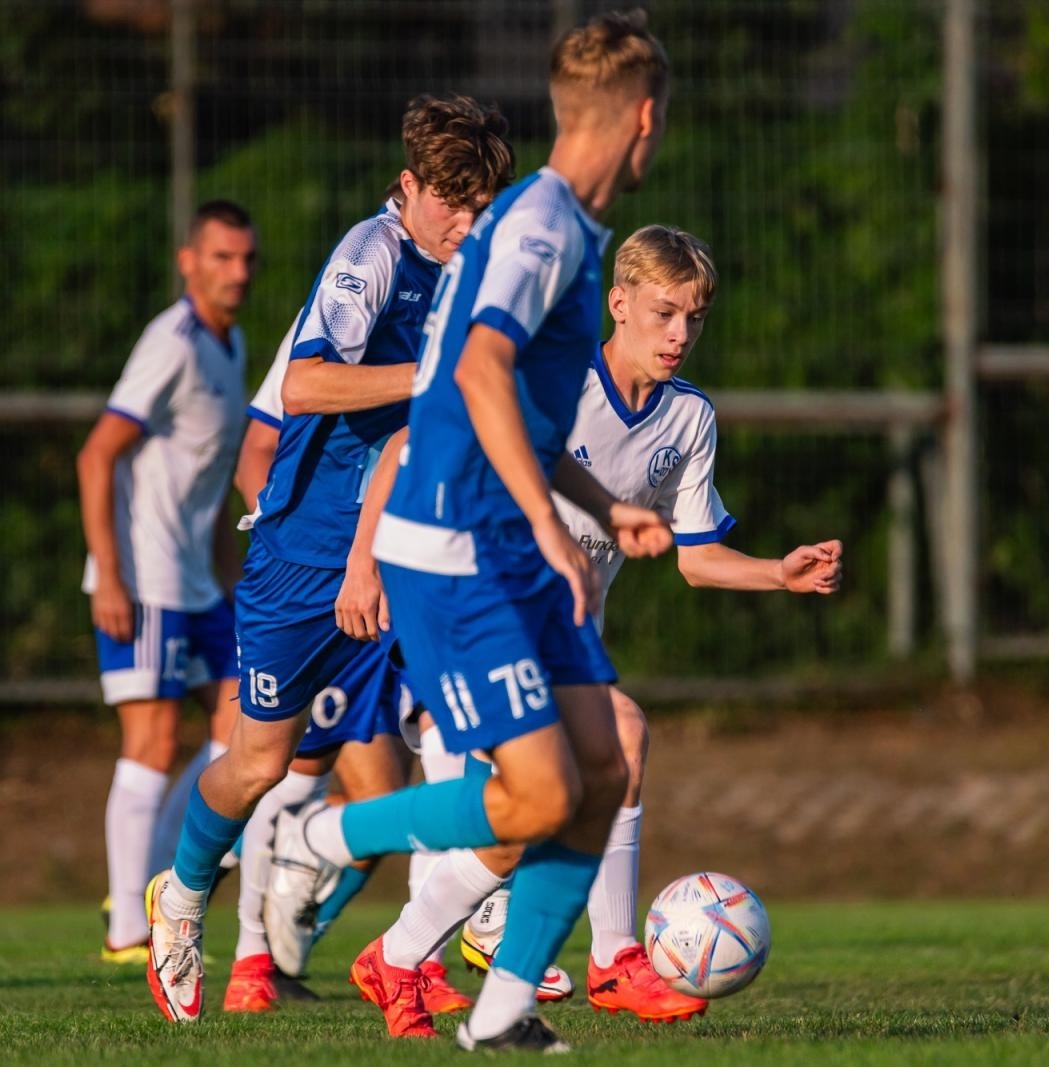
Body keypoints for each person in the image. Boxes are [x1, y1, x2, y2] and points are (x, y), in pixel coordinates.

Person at [265, 10, 676, 1053]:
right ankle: (331, 832)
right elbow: (480, 371)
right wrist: (550, 526)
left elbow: (522, 412)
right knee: (535, 791)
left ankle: (500, 1009)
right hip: (456, 547)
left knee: (604, 769)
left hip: (507, 537)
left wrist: (598, 504)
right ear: (641, 118)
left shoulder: (565, 227)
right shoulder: (540, 230)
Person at [372, 224, 842, 1033]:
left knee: (568, 786)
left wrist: (776, 571)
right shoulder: (552, 384)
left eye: (694, 318)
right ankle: (559, 957)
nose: (679, 334)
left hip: (550, 634)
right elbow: (412, 444)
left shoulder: (689, 420)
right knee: (565, 778)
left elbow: (696, 558)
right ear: (617, 303)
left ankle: (437, 957)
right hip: (471, 604)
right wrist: (367, 568)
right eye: (663, 313)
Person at [142, 93, 515, 1025]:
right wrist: (431, 379)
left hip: (405, 548)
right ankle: (183, 897)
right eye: (452, 205)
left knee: (470, 710)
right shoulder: (372, 255)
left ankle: (470, 920)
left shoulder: (475, 267)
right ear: (409, 187)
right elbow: (305, 383)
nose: (466, 224)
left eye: (481, 207)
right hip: (305, 556)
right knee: (259, 763)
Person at [219, 334, 471, 1017]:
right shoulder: (338, 317)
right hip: (328, 586)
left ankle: (423, 955)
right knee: (294, 770)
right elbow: (260, 447)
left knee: (438, 753)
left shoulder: (469, 307)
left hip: (419, 576)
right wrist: (294, 547)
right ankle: (250, 957)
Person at [75, 200, 255, 963]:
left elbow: (208, 483)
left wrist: (232, 576)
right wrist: (110, 576)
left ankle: (160, 880)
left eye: (246, 259)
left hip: (196, 582)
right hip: (143, 577)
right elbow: (97, 454)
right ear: (189, 261)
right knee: (149, 740)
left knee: (243, 726)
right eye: (220, 258)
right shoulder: (171, 342)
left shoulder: (232, 342)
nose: (236, 273)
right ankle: (125, 931)